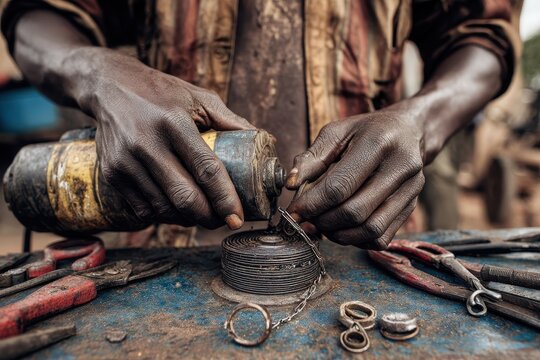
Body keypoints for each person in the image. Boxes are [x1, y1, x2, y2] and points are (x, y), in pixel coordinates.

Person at [1, 0, 521, 249]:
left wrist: (419, 119)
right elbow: (36, 18)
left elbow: (482, 34)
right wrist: (100, 71)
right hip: (165, 251)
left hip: (358, 245)